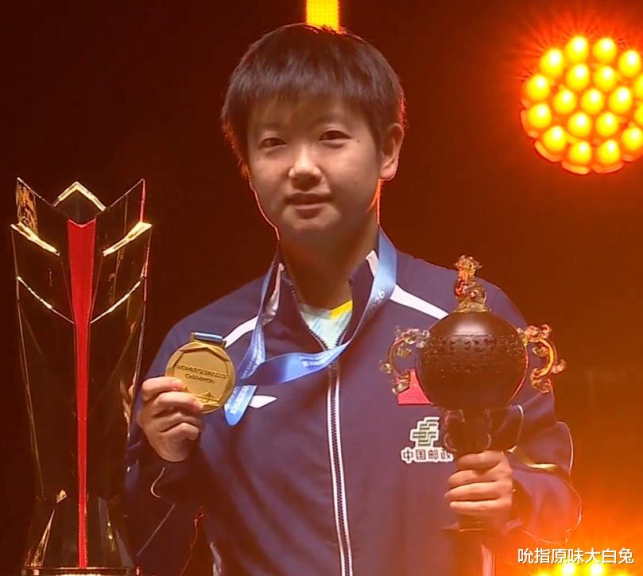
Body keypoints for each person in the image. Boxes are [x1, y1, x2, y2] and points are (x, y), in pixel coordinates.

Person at [125, 23, 580, 576]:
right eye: (273, 143)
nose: (302, 167)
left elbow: (562, 504)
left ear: (388, 150)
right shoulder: (205, 349)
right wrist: (163, 462)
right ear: (247, 167)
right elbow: (148, 554)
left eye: (331, 136)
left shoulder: (468, 321)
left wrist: (518, 497)